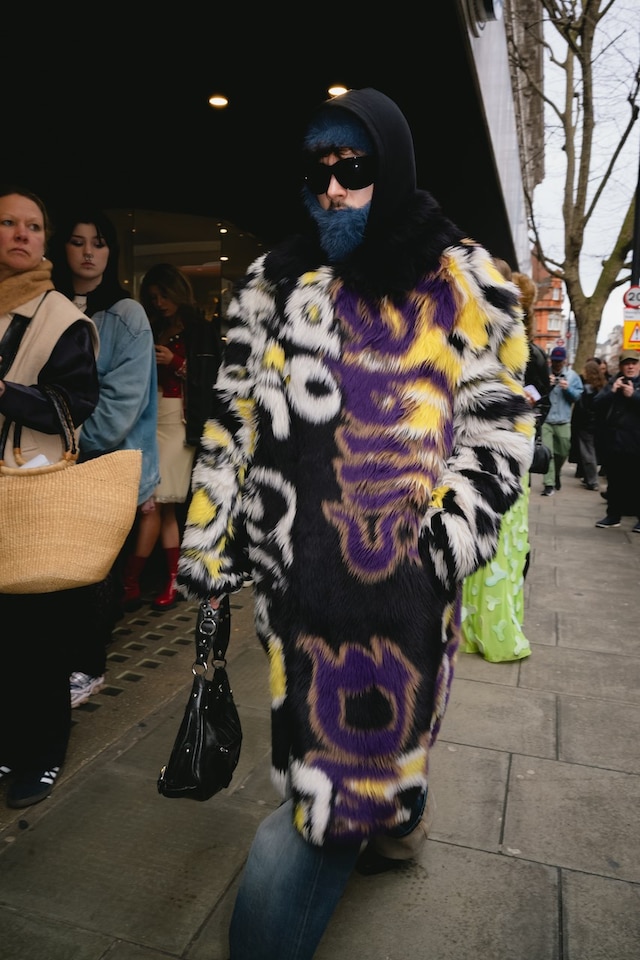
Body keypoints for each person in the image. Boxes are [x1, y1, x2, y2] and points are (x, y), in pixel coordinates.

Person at [175, 88, 535, 960]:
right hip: (291, 595)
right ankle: (395, 819)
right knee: (332, 767)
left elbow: (501, 421)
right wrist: (215, 544)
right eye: (319, 172)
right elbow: (232, 420)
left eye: (355, 169)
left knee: (309, 821)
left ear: (394, 168)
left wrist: (436, 548)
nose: (333, 189)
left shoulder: (462, 277)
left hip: (394, 603)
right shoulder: (273, 282)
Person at [0, 185, 99, 807]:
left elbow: (75, 405)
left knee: (36, 632)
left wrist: (4, 391)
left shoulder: (61, 316)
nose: (20, 234)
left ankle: (41, 753)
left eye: (33, 227)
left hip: (33, 492)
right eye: (7, 223)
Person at [49, 209, 160, 707]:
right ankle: (62, 661)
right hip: (54, 466)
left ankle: (87, 666)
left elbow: (121, 408)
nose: (88, 252)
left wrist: (55, 439)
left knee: (96, 571)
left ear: (111, 252)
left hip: (104, 462)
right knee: (56, 569)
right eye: (77, 242)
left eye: (98, 243)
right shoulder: (46, 306)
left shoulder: (126, 314)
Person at [122, 263, 222, 611]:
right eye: (154, 297)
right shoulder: (155, 327)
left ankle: (134, 584)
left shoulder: (200, 330)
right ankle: (162, 582)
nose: (160, 302)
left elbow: (213, 378)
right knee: (160, 509)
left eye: (164, 295)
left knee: (156, 503)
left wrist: (175, 361)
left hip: (180, 425)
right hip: (152, 421)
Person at [460, 269, 546, 662]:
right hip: (477, 456)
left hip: (509, 456)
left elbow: (536, 409)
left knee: (502, 546)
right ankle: (478, 629)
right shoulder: (473, 345)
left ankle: (490, 629)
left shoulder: (530, 354)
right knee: (481, 539)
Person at [593, 349, 640, 531]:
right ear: (621, 366)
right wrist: (612, 392)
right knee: (615, 482)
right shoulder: (614, 382)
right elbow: (596, 404)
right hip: (615, 443)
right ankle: (613, 515)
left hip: (636, 442)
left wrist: (633, 396)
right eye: (627, 363)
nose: (630, 367)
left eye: (634, 363)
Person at [540, 345, 583, 496]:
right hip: (547, 421)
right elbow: (537, 395)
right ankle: (549, 483)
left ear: (565, 361)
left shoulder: (572, 376)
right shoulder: (545, 374)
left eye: (560, 361)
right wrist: (547, 385)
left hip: (564, 420)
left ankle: (556, 473)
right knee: (548, 453)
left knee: (563, 452)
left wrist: (568, 389)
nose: (557, 364)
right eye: (554, 361)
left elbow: (577, 397)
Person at [570, 358, 606, 492]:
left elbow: (582, 408)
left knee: (587, 453)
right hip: (597, 425)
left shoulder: (587, 388)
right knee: (592, 451)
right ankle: (589, 478)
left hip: (585, 425)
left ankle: (592, 480)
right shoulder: (602, 386)